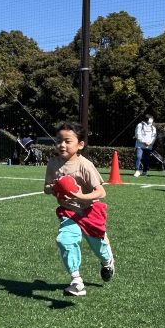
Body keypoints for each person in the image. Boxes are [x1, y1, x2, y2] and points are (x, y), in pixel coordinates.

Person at [43, 121, 115, 298]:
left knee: (98, 248)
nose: (62, 145)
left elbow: (101, 192)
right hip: (68, 212)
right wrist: (54, 187)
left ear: (80, 145)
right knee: (64, 240)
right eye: (59, 140)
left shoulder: (85, 165)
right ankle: (77, 282)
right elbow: (46, 188)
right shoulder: (53, 163)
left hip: (90, 211)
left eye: (68, 141)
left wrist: (80, 196)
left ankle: (107, 262)